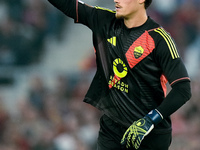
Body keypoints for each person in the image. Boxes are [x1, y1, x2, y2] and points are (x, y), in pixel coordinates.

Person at [47, 0, 191, 149]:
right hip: (111, 130)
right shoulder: (103, 20)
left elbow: (183, 89)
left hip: (149, 133)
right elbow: (68, 4)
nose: (116, 0)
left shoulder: (160, 39)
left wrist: (150, 120)